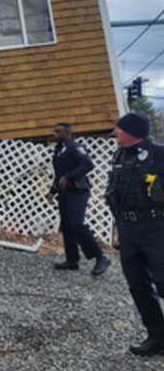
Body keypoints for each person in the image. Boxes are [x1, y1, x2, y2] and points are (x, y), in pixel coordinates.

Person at [106, 111, 164, 356]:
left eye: (119, 128)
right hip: (128, 230)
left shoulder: (159, 154)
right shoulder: (120, 154)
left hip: (156, 229)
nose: (116, 132)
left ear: (131, 132)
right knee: (138, 285)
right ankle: (158, 337)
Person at [46, 123, 110, 276]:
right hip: (64, 192)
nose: (53, 134)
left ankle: (101, 257)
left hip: (79, 191)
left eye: (58, 131)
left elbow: (88, 164)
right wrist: (52, 191)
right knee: (67, 226)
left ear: (67, 133)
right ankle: (72, 260)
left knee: (76, 224)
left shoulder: (75, 147)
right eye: (53, 131)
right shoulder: (58, 150)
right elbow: (59, 175)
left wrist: (69, 177)